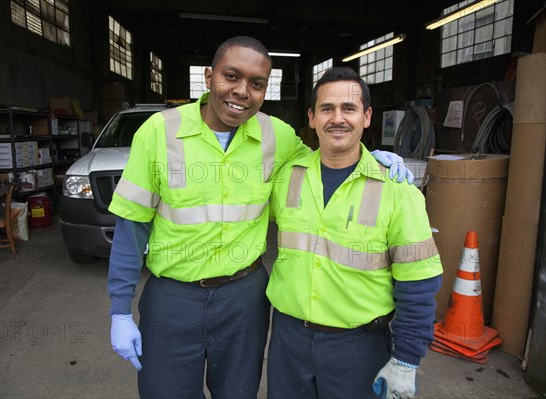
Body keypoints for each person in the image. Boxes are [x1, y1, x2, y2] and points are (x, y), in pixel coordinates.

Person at [107, 37, 411, 399]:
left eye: (256, 84)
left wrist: (370, 156)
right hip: (173, 297)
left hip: (243, 297)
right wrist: (119, 310)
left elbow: (324, 158)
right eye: (231, 76)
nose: (240, 92)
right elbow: (131, 224)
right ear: (209, 76)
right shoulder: (159, 131)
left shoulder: (276, 135)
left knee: (237, 392)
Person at [265, 66, 443, 399]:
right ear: (312, 117)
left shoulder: (397, 188)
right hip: (288, 341)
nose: (338, 118)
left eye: (349, 109)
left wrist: (406, 359)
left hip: (358, 347)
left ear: (367, 117)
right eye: (327, 109)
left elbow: (418, 281)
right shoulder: (286, 176)